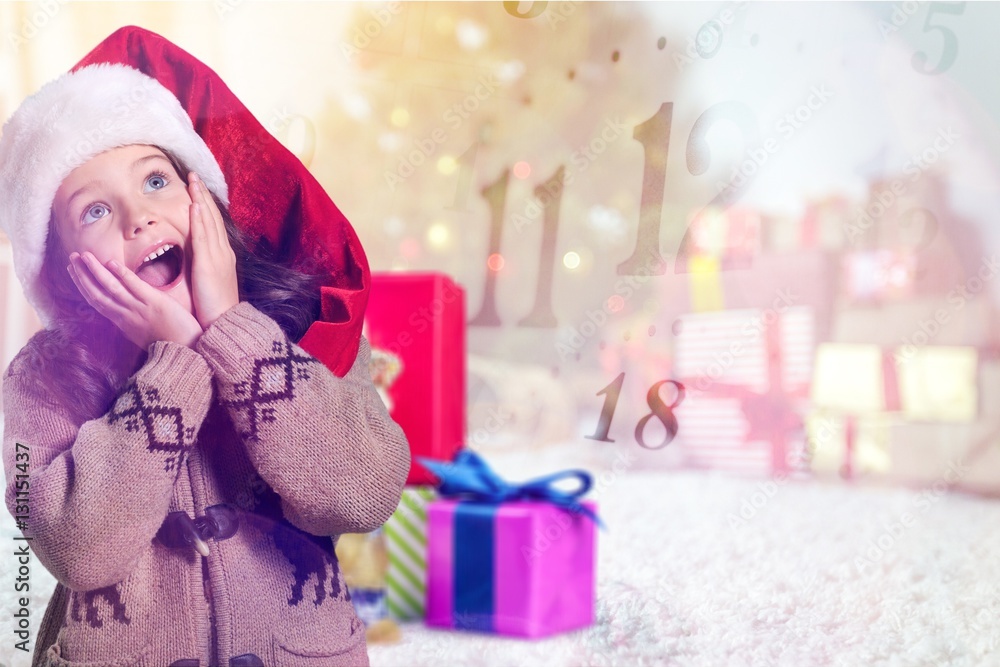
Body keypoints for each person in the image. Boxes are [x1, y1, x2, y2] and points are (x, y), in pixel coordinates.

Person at [0, 27, 411, 667]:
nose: (138, 216)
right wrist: (173, 366)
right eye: (94, 212)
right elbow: (76, 547)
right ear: (62, 266)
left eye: (156, 181)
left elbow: (362, 493)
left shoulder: (305, 323)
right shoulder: (43, 376)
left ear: (205, 198)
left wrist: (228, 332)